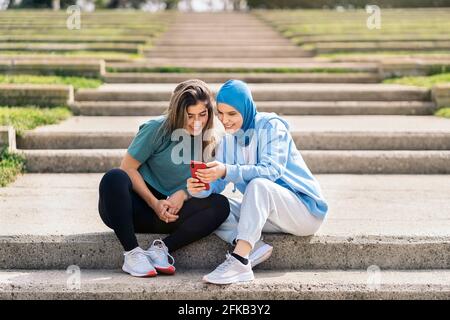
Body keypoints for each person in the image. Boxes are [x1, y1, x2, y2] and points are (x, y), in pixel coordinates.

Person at [187, 80, 328, 285]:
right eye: (221, 113)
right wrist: (200, 187)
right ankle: (256, 247)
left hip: (304, 211)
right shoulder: (228, 140)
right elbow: (217, 184)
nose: (225, 120)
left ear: (246, 108)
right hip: (268, 214)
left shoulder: (271, 126)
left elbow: (272, 170)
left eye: (232, 114)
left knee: (258, 184)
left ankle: (240, 260)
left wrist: (226, 170)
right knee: (212, 206)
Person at [98, 79, 230, 277]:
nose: (196, 122)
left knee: (221, 204)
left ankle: (160, 249)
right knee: (114, 177)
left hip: (173, 213)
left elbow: (210, 181)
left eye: (202, 114)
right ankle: (133, 254)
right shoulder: (156, 129)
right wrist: (154, 203)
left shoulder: (213, 136)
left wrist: (183, 194)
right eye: (189, 116)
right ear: (178, 112)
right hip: (135, 208)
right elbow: (128, 168)